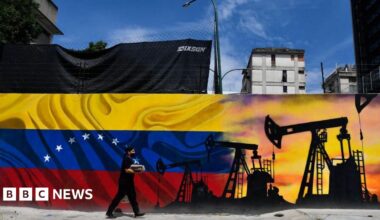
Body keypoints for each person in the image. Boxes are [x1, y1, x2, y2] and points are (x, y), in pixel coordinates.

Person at [106, 146, 145, 218]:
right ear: (128, 151)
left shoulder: (129, 158)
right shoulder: (127, 158)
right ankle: (109, 212)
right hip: (124, 182)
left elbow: (131, 168)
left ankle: (137, 212)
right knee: (118, 197)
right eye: (133, 151)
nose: (134, 152)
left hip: (129, 182)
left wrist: (138, 169)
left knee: (133, 197)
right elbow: (127, 170)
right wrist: (138, 170)